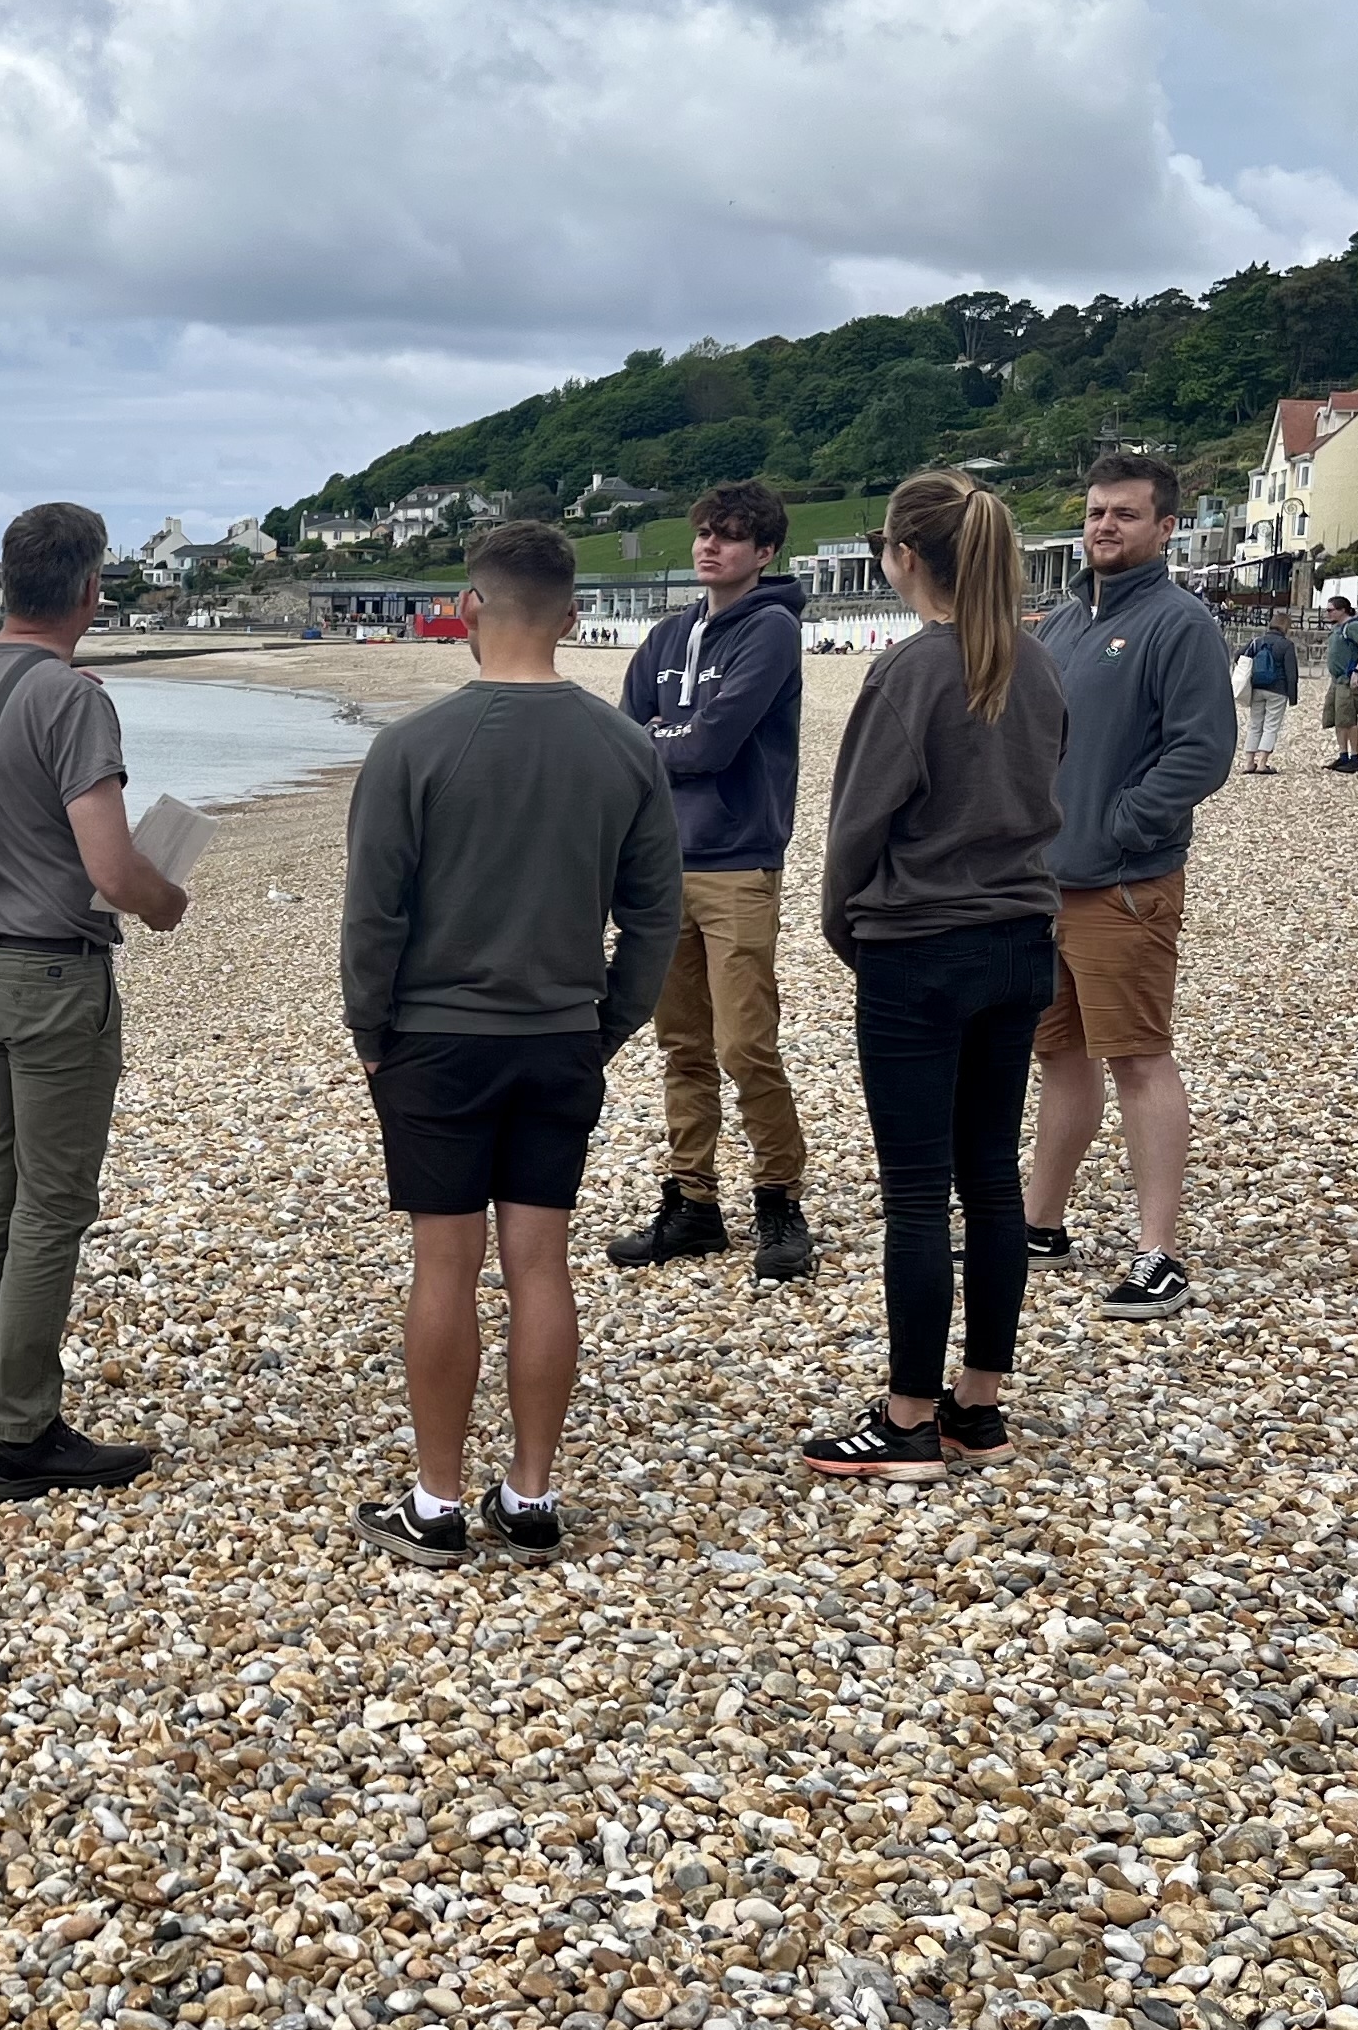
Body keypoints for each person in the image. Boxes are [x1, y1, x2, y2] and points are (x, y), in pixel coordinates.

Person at [342, 520, 683, 1565]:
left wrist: (372, 1032)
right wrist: (607, 1022)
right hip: (559, 1036)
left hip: (436, 1039)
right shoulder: (626, 747)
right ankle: (530, 1497)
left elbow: (375, 917)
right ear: (574, 616)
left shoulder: (414, 747)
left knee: (445, 1265)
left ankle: (437, 1504)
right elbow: (657, 916)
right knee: (541, 1263)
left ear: (470, 608)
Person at [0, 503, 191, 1499]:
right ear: (89, 590)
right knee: (53, 1202)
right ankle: (26, 1431)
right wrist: (170, 902)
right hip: (53, 971)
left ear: (3, 585)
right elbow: (114, 870)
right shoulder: (73, 701)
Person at [800, 476, 1069, 1482]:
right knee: (992, 1179)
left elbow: (858, 825)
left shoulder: (912, 672)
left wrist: (848, 931)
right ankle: (979, 1406)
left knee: (917, 1192)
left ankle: (907, 1419)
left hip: (920, 946)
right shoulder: (1037, 667)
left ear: (904, 558)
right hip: (1019, 939)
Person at [1017, 450, 1235, 1322]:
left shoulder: (1178, 623)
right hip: (1041, 884)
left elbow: (1201, 750)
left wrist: (1119, 826)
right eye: (1097, 512)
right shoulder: (1061, 625)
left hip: (1122, 885)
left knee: (1138, 1057)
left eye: (1126, 514)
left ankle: (1159, 1252)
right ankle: (1039, 1222)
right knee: (1058, 1056)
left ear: (1165, 527)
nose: (1105, 526)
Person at [612, 481, 815, 1281]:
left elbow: (714, 744)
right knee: (680, 1045)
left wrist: (668, 736)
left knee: (745, 1045)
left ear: (764, 553)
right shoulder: (666, 636)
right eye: (704, 533)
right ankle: (693, 1202)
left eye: (730, 537)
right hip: (664, 867)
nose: (710, 547)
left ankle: (777, 1197)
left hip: (738, 863)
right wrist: (673, 735)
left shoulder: (770, 630)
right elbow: (627, 739)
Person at [1236, 612, 1298, 775]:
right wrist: (1293, 697)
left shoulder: (1257, 641)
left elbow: (1238, 657)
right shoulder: (1286, 645)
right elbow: (1291, 674)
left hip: (1257, 687)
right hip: (1278, 690)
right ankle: (1262, 763)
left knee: (1255, 725)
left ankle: (1249, 762)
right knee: (1271, 726)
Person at [1320, 595, 1358, 774]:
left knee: (1349, 719)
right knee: (1338, 719)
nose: (1327, 613)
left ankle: (1355, 758)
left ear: (1342, 610)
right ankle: (1343, 755)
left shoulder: (1353, 626)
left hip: (1349, 681)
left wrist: (1356, 672)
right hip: (1337, 681)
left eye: (1330, 610)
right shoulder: (1338, 628)